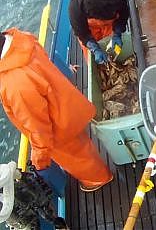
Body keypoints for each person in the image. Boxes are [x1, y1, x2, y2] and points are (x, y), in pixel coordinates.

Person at [0, 27, 113, 192]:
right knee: (83, 146)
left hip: (59, 130)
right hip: (68, 105)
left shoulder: (14, 85)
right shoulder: (21, 39)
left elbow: (37, 127)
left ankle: (98, 179)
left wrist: (40, 160)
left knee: (79, 159)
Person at [69, 0, 129, 64]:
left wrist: (117, 33)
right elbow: (83, 34)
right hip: (89, 25)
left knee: (111, 40)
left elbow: (124, 14)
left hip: (110, 22)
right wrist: (95, 48)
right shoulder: (75, 9)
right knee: (91, 52)